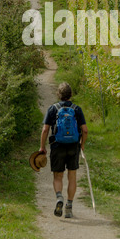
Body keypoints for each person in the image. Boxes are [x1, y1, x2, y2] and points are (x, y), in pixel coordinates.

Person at [39, 82, 88, 218]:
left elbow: (45, 130)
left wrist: (42, 147)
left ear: (58, 95)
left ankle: (59, 197)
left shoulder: (52, 109)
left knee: (58, 176)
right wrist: (82, 145)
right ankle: (69, 207)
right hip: (73, 146)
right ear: (70, 95)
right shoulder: (77, 109)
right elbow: (85, 130)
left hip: (57, 145)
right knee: (72, 176)